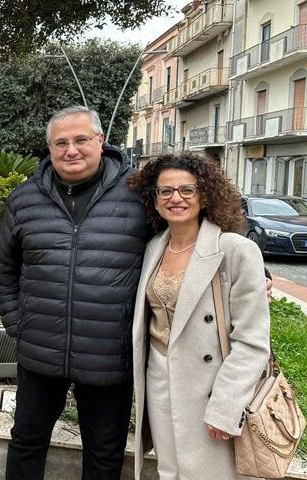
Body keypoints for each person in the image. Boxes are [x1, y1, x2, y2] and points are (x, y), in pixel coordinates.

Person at [0, 106, 149, 479]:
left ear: (100, 141)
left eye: (81, 140)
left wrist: (243, 257)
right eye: (60, 143)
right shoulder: (24, 199)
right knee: (26, 442)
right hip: (41, 350)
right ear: (49, 148)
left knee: (103, 453)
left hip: (108, 354)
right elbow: (5, 268)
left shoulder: (139, 194)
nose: (71, 150)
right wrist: (19, 324)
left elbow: (191, 225)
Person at [127, 153, 270, 480]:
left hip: (209, 385)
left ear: (204, 195)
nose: (176, 198)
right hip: (158, 376)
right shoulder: (153, 248)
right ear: (156, 200)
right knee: (169, 469)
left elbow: (252, 341)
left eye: (186, 190)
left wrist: (226, 406)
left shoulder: (234, 250)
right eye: (166, 191)